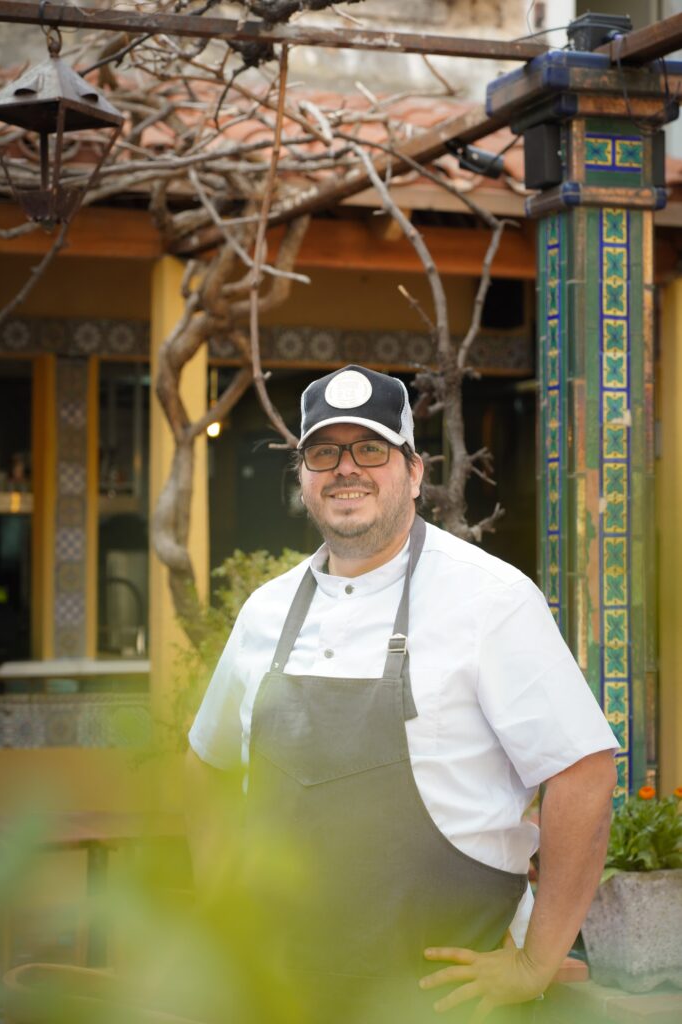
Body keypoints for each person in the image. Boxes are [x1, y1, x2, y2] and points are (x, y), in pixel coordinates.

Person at [186, 365, 617, 1023]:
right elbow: (205, 766)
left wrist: (535, 962)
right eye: (323, 452)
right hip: (283, 996)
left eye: (371, 449)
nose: (345, 469)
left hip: (442, 1001)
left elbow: (583, 772)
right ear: (303, 478)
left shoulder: (491, 599)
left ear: (414, 472)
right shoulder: (264, 613)